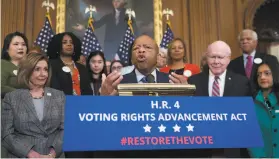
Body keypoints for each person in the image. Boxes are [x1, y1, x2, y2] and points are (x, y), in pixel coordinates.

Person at [184, 41, 251, 157]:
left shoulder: (241, 82)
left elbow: (247, 116)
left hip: (231, 148)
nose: (216, 62)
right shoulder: (193, 81)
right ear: (207, 57)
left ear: (228, 59)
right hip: (201, 148)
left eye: (220, 57)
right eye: (212, 57)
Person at [1, 53, 64, 158]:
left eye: (45, 69)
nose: (43, 74)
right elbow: (7, 135)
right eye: (37, 69)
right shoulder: (11, 98)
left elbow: (65, 129)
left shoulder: (59, 96)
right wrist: (30, 154)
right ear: (27, 71)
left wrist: (52, 154)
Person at [73, 0, 138, 60]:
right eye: (114, 1)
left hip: (122, 47)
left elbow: (135, 30)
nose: (115, 3)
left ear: (123, 2)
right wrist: (84, 27)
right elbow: (97, 24)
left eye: (118, 1)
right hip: (109, 47)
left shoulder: (129, 16)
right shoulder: (109, 16)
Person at [248, 60, 279, 158]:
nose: (262, 77)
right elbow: (250, 136)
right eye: (259, 75)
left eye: (267, 73)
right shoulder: (251, 104)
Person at [1, 31, 28, 99]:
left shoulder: (29, 67)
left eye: (23, 44)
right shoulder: (2, 64)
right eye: (16, 44)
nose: (20, 47)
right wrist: (22, 94)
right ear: (7, 49)